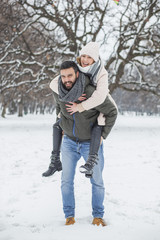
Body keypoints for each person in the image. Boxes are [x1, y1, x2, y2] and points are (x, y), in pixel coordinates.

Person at [50, 60, 117, 226]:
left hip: (90, 144)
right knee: (66, 181)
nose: (66, 79)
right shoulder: (59, 90)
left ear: (77, 74)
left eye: (70, 75)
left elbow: (112, 112)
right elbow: (58, 108)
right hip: (69, 143)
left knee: (97, 180)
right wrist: (62, 123)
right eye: (63, 76)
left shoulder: (90, 92)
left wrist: (103, 135)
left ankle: (98, 216)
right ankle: (69, 216)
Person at [42, 42, 113, 178]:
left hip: (99, 103)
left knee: (99, 124)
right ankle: (55, 161)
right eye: (83, 56)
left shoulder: (101, 73)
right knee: (57, 124)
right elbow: (53, 84)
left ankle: (91, 162)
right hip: (81, 108)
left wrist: (79, 106)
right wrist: (72, 95)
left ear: (95, 59)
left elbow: (100, 97)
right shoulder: (77, 68)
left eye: (89, 57)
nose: (85, 60)